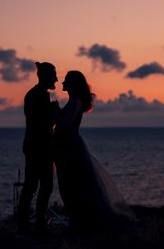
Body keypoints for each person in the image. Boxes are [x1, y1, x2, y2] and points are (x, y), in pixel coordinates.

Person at [51, 71, 136, 231]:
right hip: (65, 148)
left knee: (75, 186)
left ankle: (82, 223)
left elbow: (65, 125)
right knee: (67, 186)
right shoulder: (71, 102)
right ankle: (77, 221)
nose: (62, 83)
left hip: (71, 149)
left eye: (66, 80)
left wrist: (55, 111)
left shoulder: (75, 102)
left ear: (72, 84)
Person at [17, 62, 58, 233]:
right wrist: (55, 114)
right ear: (46, 76)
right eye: (53, 75)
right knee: (40, 186)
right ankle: (35, 223)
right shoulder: (38, 96)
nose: (56, 79)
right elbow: (42, 124)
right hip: (39, 147)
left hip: (36, 146)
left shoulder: (36, 94)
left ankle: (29, 222)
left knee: (34, 186)